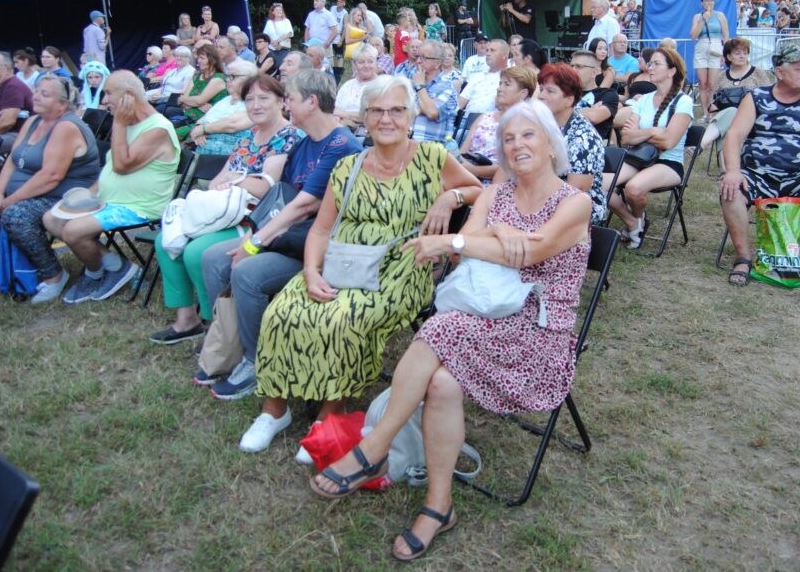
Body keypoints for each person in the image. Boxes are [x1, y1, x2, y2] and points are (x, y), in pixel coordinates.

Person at [310, 99, 591, 563]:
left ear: (549, 143)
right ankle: (438, 508)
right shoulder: (498, 195)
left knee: (440, 329)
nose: (517, 144)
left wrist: (457, 238)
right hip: (482, 318)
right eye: (507, 138)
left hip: (536, 336)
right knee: (440, 379)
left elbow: (528, 255)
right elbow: (465, 258)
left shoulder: (574, 201)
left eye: (528, 135)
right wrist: (498, 231)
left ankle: (374, 448)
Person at [238, 75, 482, 452]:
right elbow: (320, 231)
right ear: (365, 118)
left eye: (397, 111)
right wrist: (310, 272)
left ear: (411, 117)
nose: (387, 119)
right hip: (343, 261)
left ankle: (329, 414)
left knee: (343, 318)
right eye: (377, 111)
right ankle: (275, 410)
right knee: (284, 311)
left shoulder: (433, 157)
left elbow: (477, 190)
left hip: (402, 266)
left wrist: (448, 198)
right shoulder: (348, 166)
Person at [198, 70, 363, 397]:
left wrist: (256, 243)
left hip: (320, 248)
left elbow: (303, 206)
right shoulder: (305, 144)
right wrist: (252, 234)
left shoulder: (342, 145)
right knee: (214, 257)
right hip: (289, 236)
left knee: (246, 272)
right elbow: (279, 198)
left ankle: (259, 360)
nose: (284, 104)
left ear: (312, 102)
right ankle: (230, 342)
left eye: (289, 98)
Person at [150, 74, 300, 344]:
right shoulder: (249, 137)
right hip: (226, 211)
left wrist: (236, 180)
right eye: (249, 99)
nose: (255, 105)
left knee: (197, 251)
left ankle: (214, 325)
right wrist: (233, 182)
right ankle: (187, 319)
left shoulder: (287, 136)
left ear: (282, 102)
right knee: (164, 240)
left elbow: (266, 188)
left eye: (264, 98)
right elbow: (220, 179)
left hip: (256, 219)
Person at [0, 75, 100, 304]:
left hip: (63, 197)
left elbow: (50, 177)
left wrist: (10, 200)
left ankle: (54, 275)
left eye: (45, 94)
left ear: (63, 104)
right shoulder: (33, 121)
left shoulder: (66, 126)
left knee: (16, 216)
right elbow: (13, 160)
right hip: (27, 194)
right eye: (37, 91)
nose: (36, 97)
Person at [43, 71, 180, 303]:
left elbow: (121, 165)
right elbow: (110, 171)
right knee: (52, 219)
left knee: (73, 231)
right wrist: (90, 193)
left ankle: (95, 274)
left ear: (128, 96)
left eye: (108, 94)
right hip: (109, 202)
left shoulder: (158, 128)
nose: (104, 101)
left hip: (139, 208)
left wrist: (118, 124)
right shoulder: (130, 123)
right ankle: (116, 266)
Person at [719, 44, 800, 293]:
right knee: (730, 189)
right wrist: (733, 170)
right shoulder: (756, 98)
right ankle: (743, 258)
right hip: (757, 174)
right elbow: (733, 136)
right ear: (779, 71)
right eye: (799, 69)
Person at [606, 47, 693, 248]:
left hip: (668, 161)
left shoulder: (684, 101)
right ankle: (634, 222)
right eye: (650, 63)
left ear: (671, 71)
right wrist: (654, 131)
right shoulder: (644, 100)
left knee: (633, 189)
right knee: (597, 185)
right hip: (640, 157)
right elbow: (626, 136)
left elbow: (669, 142)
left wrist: (641, 135)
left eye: (657, 64)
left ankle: (636, 221)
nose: (650, 67)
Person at [533, 63, 606, 225]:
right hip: (537, 196)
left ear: (569, 100)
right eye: (541, 89)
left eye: (550, 91)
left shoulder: (584, 138)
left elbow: (574, 195)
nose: (541, 96)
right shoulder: (539, 124)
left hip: (573, 210)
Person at [460, 66, 534, 185]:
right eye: (500, 83)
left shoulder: (525, 125)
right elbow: (462, 153)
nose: (499, 88)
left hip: (500, 186)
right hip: (467, 177)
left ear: (523, 93)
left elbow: (511, 167)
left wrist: (472, 170)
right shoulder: (484, 118)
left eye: (507, 84)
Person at [701, 37, 775, 152]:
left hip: (753, 117)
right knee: (730, 118)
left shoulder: (758, 73)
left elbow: (769, 98)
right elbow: (713, 104)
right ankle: (726, 168)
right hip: (727, 119)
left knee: (733, 115)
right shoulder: (721, 77)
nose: (742, 56)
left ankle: (702, 143)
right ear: (729, 56)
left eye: (745, 53)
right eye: (738, 53)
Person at [189, 61, 259, 155]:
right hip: (204, 152)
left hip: (226, 157)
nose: (227, 80)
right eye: (228, 76)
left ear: (249, 79)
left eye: (233, 76)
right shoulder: (226, 99)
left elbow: (232, 124)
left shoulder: (254, 102)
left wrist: (203, 129)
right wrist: (198, 130)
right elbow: (203, 120)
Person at [174, 44, 228, 141]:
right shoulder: (196, 75)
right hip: (185, 117)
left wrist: (186, 99)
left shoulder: (218, 79)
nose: (198, 61)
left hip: (203, 121)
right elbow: (180, 102)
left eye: (202, 58)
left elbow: (199, 100)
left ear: (212, 60)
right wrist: (197, 104)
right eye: (198, 58)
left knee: (169, 137)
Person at [0, 51, 34, 152]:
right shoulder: (0, 86)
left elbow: (7, 122)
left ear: (7, 68)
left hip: (16, 136)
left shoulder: (13, 87)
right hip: (2, 134)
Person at [690, 0, 730, 117]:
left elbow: (726, 35)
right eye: (707, 1)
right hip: (701, 47)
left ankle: (712, 110)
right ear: (702, 3)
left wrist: (725, 53)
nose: (709, 3)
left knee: (712, 83)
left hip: (716, 46)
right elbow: (693, 36)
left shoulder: (720, 15)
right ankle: (705, 113)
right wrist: (703, 20)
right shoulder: (697, 16)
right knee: (703, 83)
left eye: (711, 0)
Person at [569, 50, 620, 142]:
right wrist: (586, 111)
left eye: (579, 67)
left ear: (594, 72)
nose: (573, 70)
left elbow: (594, 117)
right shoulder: (564, 91)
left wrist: (559, 110)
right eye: (572, 66)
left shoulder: (607, 94)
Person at [458, 39, 508, 116]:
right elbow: (461, 102)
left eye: (492, 50)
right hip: (466, 121)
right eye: (487, 50)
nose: (487, 53)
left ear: (504, 55)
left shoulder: (510, 78)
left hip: (492, 122)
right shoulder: (477, 76)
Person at [334, 44, 379, 128]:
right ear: (354, 64)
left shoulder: (382, 86)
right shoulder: (347, 85)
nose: (366, 66)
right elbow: (336, 110)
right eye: (361, 62)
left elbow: (374, 115)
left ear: (376, 62)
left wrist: (346, 114)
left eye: (370, 61)